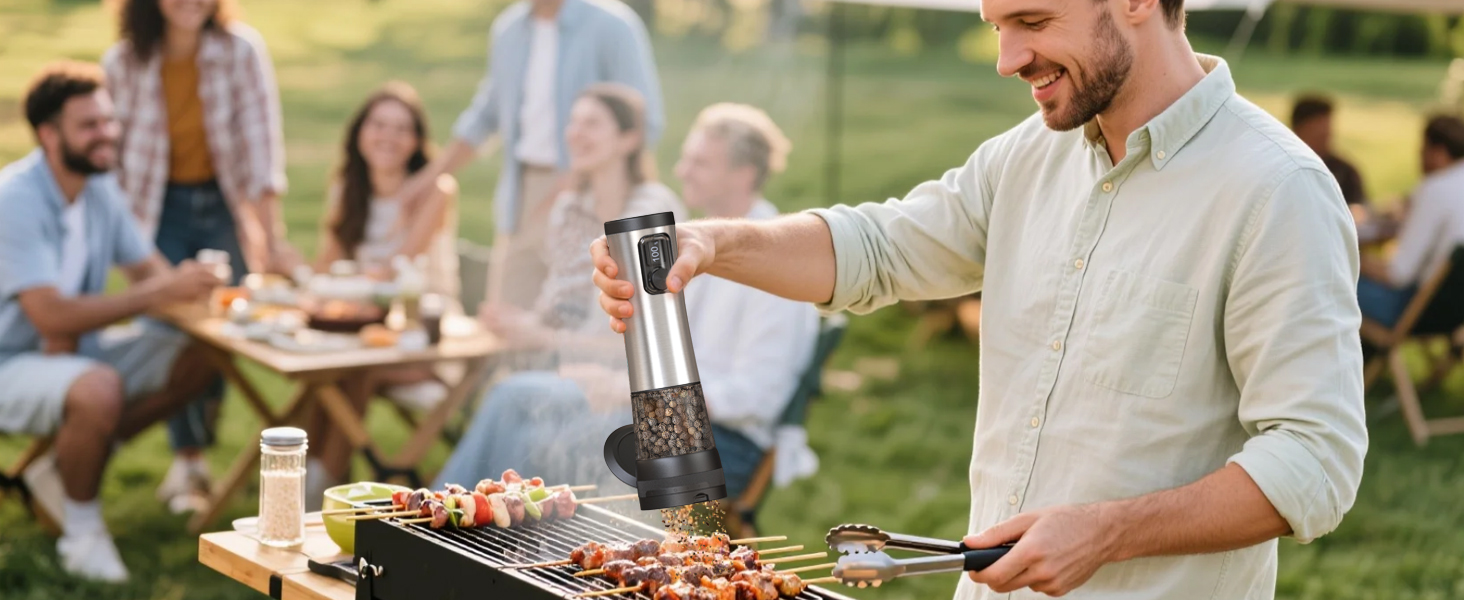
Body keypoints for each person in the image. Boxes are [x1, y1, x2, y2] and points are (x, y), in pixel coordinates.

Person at [591, 0, 1369, 597]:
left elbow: (1314, 460)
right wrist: (718, 244)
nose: (1007, 58)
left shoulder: (1277, 192)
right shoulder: (1029, 156)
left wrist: (1106, 532)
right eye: (997, 23)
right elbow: (879, 249)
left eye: (1031, 20)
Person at [0, 62, 224, 582]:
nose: (107, 135)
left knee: (200, 357)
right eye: (90, 125)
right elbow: (49, 314)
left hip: (75, 352)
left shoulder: (99, 187)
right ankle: (83, 535)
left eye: (109, 121)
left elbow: (151, 272)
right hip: (10, 359)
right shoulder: (15, 200)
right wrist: (157, 292)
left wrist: (212, 298)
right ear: (48, 134)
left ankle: (65, 468)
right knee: (97, 386)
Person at [435, 84, 683, 493]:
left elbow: (642, 340)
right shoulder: (571, 209)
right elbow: (561, 303)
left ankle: (436, 513)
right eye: (573, 122)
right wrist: (523, 322)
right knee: (516, 427)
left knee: (508, 397)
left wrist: (541, 335)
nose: (576, 132)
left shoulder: (649, 212)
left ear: (629, 138)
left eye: (592, 123)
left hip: (622, 382)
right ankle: (480, 530)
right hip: (559, 370)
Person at [103, 0, 292, 508]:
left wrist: (271, 238)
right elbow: (111, 161)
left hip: (224, 207)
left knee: (220, 331)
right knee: (172, 327)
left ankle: (198, 447)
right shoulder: (122, 62)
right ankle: (188, 461)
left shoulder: (240, 51)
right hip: (156, 211)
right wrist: (125, 243)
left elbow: (262, 148)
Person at [397, 0, 663, 312]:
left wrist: (576, 183)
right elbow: (486, 114)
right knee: (507, 318)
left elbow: (645, 122)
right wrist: (429, 179)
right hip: (522, 189)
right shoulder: (508, 29)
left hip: (592, 194)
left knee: (582, 313)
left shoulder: (612, 26)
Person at [303, 82, 461, 501]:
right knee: (322, 372)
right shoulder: (348, 189)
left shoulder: (435, 190)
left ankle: (320, 489)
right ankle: (318, 478)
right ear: (360, 132)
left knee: (349, 370)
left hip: (429, 340)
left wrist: (340, 286)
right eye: (378, 124)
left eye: (401, 128)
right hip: (370, 333)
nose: (387, 137)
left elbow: (397, 271)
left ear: (415, 140)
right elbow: (324, 267)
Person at [673, 103, 819, 512]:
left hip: (730, 444)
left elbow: (758, 395)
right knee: (536, 407)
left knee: (591, 440)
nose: (682, 171)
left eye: (699, 162)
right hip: (684, 422)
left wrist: (660, 404)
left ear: (744, 174)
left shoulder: (775, 258)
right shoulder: (703, 241)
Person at [1356, 115, 1464, 327]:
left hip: (1423, 312)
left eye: (1423, 148)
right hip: (1457, 312)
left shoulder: (1435, 188)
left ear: (1438, 152)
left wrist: (1347, 257)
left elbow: (1399, 273)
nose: (1419, 155)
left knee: (1325, 282)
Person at [1291, 94, 1366, 207]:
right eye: (1317, 133)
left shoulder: (1345, 172)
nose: (1326, 136)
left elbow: (1358, 209)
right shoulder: (1286, 168)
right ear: (1299, 129)